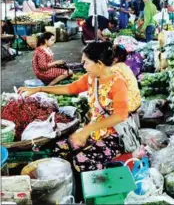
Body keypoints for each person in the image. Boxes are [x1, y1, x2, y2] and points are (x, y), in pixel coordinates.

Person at [20, 42, 140, 172]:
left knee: (82, 161)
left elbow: (120, 116)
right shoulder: (92, 77)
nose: (83, 66)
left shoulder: (117, 83)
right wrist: (40, 88)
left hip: (116, 136)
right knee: (60, 149)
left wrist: (86, 130)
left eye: (86, 62)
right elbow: (70, 88)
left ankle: (107, 178)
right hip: (94, 131)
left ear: (99, 64)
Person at [112, 45, 142, 113]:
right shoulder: (124, 66)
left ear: (116, 58)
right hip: (136, 101)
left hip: (128, 106)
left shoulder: (115, 69)